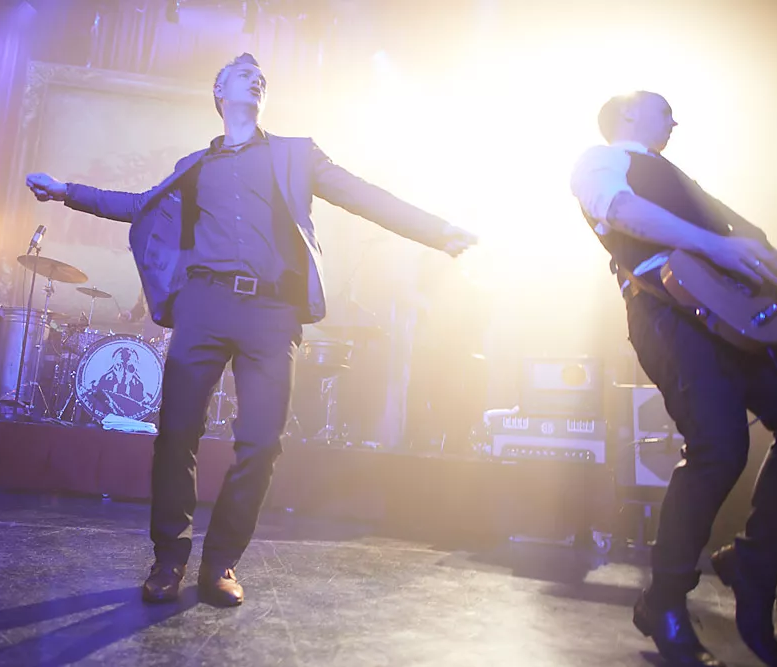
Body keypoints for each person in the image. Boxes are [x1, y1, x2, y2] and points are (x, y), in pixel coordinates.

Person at [26, 53, 476, 607]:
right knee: (176, 435)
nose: (258, 79)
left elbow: (364, 196)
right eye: (245, 74)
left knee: (262, 443)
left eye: (262, 77)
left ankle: (220, 562)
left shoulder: (296, 154)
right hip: (205, 304)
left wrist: (436, 231)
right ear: (219, 92)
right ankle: (169, 558)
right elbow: (138, 205)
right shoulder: (195, 166)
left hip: (272, 312)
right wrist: (64, 190)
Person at [571, 91, 777, 667]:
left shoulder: (687, 184)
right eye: (664, 109)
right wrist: (716, 245)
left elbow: (759, 256)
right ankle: (665, 602)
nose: (675, 120)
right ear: (627, 113)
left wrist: (770, 264)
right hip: (669, 312)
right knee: (719, 449)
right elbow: (620, 210)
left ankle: (753, 565)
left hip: (750, 313)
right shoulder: (603, 160)